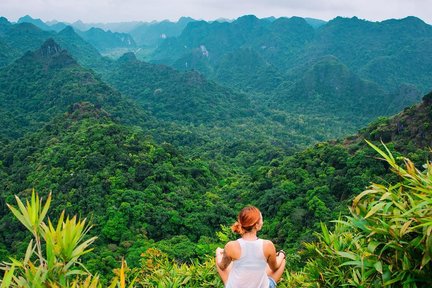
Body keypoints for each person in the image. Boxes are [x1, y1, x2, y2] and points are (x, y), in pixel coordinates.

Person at [215, 206, 286, 288]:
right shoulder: (267, 245)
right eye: (261, 219)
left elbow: (222, 267)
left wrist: (218, 254)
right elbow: (275, 268)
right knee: (281, 261)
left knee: (221, 257)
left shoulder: (231, 246)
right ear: (256, 225)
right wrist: (281, 254)